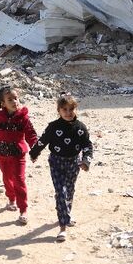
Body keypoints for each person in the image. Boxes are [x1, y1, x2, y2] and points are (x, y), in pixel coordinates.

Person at [30, 93, 93, 242]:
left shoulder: (80, 128)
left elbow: (87, 145)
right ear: (59, 111)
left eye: (71, 109)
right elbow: (43, 140)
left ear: (76, 109)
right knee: (61, 192)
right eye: (64, 109)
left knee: (69, 191)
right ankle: (62, 226)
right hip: (56, 162)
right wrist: (34, 153)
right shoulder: (53, 127)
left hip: (73, 163)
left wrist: (86, 161)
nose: (68, 112)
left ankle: (66, 214)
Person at [0, 86, 38, 225]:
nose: (14, 101)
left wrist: (35, 150)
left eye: (15, 98)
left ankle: (23, 209)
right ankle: (11, 199)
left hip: (18, 155)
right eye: (9, 99)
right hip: (1, 154)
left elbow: (31, 135)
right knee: (7, 178)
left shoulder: (24, 118)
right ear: (3, 103)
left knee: (19, 180)